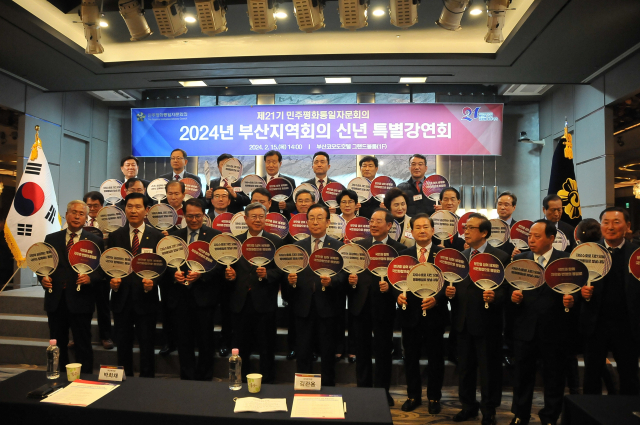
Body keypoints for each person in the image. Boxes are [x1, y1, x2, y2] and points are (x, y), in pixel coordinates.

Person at [508, 219, 575, 425]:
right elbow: (510, 288)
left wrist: (572, 299)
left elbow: (575, 288)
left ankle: (550, 417)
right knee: (522, 376)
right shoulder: (520, 259)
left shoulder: (565, 260)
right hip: (525, 329)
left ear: (551, 238)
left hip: (554, 329)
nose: (531, 239)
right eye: (529, 235)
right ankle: (520, 415)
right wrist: (514, 297)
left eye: (536, 236)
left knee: (554, 377)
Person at [447, 213, 510, 425]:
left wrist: (496, 296)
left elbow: (507, 290)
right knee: (465, 369)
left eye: (471, 228)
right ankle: (468, 407)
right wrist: (450, 293)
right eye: (465, 227)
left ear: (484, 232)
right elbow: (455, 283)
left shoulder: (500, 257)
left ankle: (489, 410)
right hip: (462, 321)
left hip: (487, 323)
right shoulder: (460, 256)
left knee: (489, 370)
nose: (465, 231)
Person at [39, 200, 105, 374]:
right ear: (66, 215)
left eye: (81, 214)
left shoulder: (95, 241)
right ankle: (59, 376)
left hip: (81, 300)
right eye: (74, 212)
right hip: (56, 300)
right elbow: (42, 264)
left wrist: (90, 278)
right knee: (57, 343)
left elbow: (102, 271)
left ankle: (85, 377)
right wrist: (42, 278)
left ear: (86, 218)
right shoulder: (51, 239)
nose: (77, 216)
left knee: (83, 343)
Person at [581, 207, 640, 395]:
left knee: (629, 376)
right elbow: (572, 285)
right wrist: (581, 292)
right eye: (606, 222)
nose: (610, 227)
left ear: (627, 226)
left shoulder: (636, 254)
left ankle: (629, 411)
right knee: (591, 376)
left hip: (627, 326)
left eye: (616, 222)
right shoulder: (587, 252)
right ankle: (591, 411)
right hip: (595, 325)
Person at [287, 203, 347, 386]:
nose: (315, 222)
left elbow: (344, 275)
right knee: (303, 351)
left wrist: (332, 282)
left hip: (328, 307)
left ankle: (328, 388)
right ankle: (303, 389)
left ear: (328, 222)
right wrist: (291, 281)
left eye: (319, 218)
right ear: (306, 222)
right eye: (311, 218)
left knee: (328, 353)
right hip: (303, 307)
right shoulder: (297, 247)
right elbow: (289, 273)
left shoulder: (338, 247)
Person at [351, 208, 406, 405]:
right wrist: (352, 281)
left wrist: (390, 287)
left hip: (384, 306)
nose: (373, 224)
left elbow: (402, 279)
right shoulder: (360, 246)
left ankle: (383, 391)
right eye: (371, 221)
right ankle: (363, 390)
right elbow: (350, 271)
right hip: (361, 304)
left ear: (389, 225)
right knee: (362, 350)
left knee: (383, 351)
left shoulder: (399, 249)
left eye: (378, 221)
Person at [395, 213, 449, 414]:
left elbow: (450, 282)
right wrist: (397, 296)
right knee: (410, 358)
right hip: (410, 314)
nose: (422, 230)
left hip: (435, 314)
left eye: (426, 226)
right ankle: (413, 396)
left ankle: (434, 398)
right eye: (417, 227)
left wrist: (438, 299)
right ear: (411, 231)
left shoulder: (443, 255)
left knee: (436, 359)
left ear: (433, 230)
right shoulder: (404, 255)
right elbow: (395, 280)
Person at [224, 202, 284, 383]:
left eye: (261, 216)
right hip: (240, 302)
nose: (258, 220)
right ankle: (241, 382)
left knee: (267, 347)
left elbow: (282, 270)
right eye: (254, 217)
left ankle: (268, 383)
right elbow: (228, 268)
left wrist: (268, 274)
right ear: (245, 219)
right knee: (241, 347)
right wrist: (230, 275)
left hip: (264, 303)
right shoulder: (235, 241)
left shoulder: (275, 242)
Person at [108, 192, 164, 377]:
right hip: (121, 299)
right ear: (125, 209)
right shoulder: (115, 236)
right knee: (123, 344)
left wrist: (154, 281)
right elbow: (108, 265)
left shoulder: (157, 236)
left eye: (138, 207)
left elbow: (163, 267)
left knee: (147, 345)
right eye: (130, 206)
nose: (133, 210)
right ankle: (124, 380)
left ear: (146, 210)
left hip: (146, 299)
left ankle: (147, 382)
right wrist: (112, 281)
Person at [167, 198, 221, 380]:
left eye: (198, 216)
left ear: (204, 215)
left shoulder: (214, 236)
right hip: (180, 298)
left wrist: (202, 275)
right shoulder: (175, 237)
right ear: (183, 215)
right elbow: (166, 263)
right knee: (183, 341)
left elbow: (220, 266)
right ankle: (187, 378)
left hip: (204, 297)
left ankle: (205, 377)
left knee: (206, 341)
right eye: (190, 216)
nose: (194, 220)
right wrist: (174, 275)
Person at [157, 180, 186, 356]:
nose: (173, 197)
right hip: (165, 267)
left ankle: (184, 341)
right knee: (167, 306)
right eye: (170, 193)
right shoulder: (158, 213)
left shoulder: (188, 212)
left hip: (185, 267)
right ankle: (168, 341)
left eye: (176, 193)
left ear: (183, 195)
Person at [82, 191, 113, 350]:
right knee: (81, 307)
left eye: (96, 205)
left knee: (103, 306)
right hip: (83, 269)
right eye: (89, 206)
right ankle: (79, 337)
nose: (93, 209)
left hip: (102, 270)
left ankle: (105, 336)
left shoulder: (109, 223)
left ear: (102, 206)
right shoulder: (79, 221)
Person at [263, 150, 297, 214]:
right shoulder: (260, 182)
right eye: (268, 162)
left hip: (282, 217)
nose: (271, 165)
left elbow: (295, 202)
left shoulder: (289, 182)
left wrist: (286, 205)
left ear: (280, 164)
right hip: (262, 218)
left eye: (274, 162)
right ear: (265, 163)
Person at [436, 187, 465, 251]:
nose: (449, 203)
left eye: (453, 199)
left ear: (458, 202)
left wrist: (468, 249)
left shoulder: (464, 223)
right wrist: (435, 248)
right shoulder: (434, 222)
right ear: (440, 202)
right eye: (446, 199)